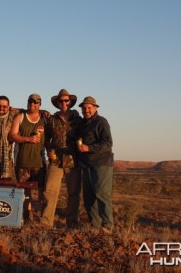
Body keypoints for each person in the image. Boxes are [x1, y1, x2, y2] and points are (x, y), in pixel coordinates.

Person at [40, 89, 82, 229]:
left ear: (70, 102)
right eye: (61, 101)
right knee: (50, 191)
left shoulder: (78, 119)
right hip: (56, 161)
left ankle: (72, 223)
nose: (64, 103)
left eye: (66, 100)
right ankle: (46, 222)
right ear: (57, 103)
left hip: (73, 160)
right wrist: (48, 151)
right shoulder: (52, 119)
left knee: (74, 193)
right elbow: (46, 138)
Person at [77, 96, 114, 234]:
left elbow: (108, 143)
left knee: (102, 194)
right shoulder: (82, 124)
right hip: (86, 165)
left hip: (101, 164)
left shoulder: (101, 122)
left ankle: (108, 225)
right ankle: (95, 225)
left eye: (89, 107)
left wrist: (88, 148)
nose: (86, 110)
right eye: (84, 108)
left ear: (95, 108)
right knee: (88, 197)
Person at [8, 93, 46, 223]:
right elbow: (12, 135)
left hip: (40, 162)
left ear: (40, 104)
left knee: (42, 190)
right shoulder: (20, 117)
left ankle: (42, 217)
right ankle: (27, 216)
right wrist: (27, 139)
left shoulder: (45, 119)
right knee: (25, 191)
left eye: (35, 102)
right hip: (22, 161)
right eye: (30, 102)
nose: (32, 104)